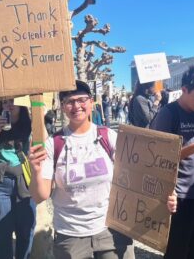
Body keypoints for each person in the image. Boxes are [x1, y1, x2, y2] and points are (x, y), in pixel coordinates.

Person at [28, 80, 135, 259]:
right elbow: (40, 196)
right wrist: (36, 170)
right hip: (70, 235)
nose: (76, 105)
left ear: (91, 102)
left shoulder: (109, 136)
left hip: (111, 229)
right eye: (69, 101)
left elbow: (133, 178)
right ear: (62, 107)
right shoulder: (53, 144)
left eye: (81, 100)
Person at [150, 65, 194, 259]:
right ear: (184, 90)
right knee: (177, 250)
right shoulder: (168, 114)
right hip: (179, 197)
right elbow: (158, 158)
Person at [0, 99, 36, 259]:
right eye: (5, 102)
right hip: (0, 183)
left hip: (25, 181)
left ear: (22, 103)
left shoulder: (31, 125)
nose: (9, 104)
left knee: (26, 230)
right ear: (0, 106)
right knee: (1, 233)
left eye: (13, 101)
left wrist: (39, 112)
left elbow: (43, 145)